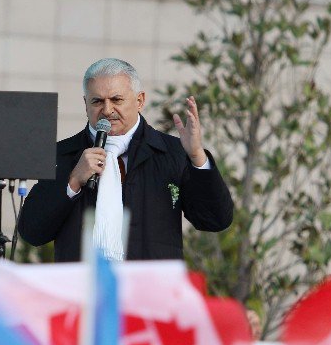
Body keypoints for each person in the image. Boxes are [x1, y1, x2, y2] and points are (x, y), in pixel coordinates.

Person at [18, 58, 233, 262]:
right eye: (97, 101)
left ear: (139, 101)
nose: (107, 110)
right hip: (84, 291)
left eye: (116, 99)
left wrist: (196, 156)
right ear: (86, 104)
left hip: (149, 291)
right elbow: (32, 232)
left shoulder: (171, 152)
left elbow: (214, 220)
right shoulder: (63, 154)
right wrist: (72, 182)